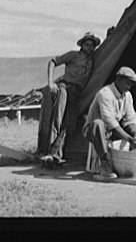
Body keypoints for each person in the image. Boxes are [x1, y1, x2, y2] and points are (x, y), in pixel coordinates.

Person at [36, 31, 101, 168]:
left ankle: (55, 154)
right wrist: (50, 82)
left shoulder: (92, 58)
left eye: (92, 45)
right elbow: (53, 61)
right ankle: (47, 154)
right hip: (65, 87)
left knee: (70, 124)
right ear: (82, 45)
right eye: (87, 44)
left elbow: (108, 50)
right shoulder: (73, 55)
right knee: (57, 121)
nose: (89, 47)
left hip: (77, 94)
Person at [82, 66, 136, 179]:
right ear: (118, 80)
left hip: (114, 129)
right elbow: (110, 123)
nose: (129, 87)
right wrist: (129, 138)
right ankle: (104, 162)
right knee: (98, 123)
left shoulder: (127, 95)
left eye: (130, 85)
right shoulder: (105, 93)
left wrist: (135, 135)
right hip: (97, 130)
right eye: (127, 84)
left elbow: (130, 118)